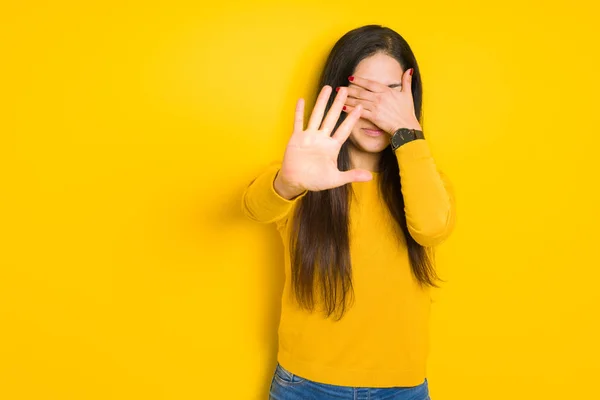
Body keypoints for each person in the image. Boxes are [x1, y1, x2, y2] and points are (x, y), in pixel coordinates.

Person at [242, 24, 456, 400]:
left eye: (391, 95)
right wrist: (289, 183)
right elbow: (255, 208)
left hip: (401, 388)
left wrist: (408, 133)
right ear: (338, 93)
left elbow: (432, 228)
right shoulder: (301, 176)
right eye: (362, 92)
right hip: (304, 385)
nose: (375, 110)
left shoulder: (425, 178)